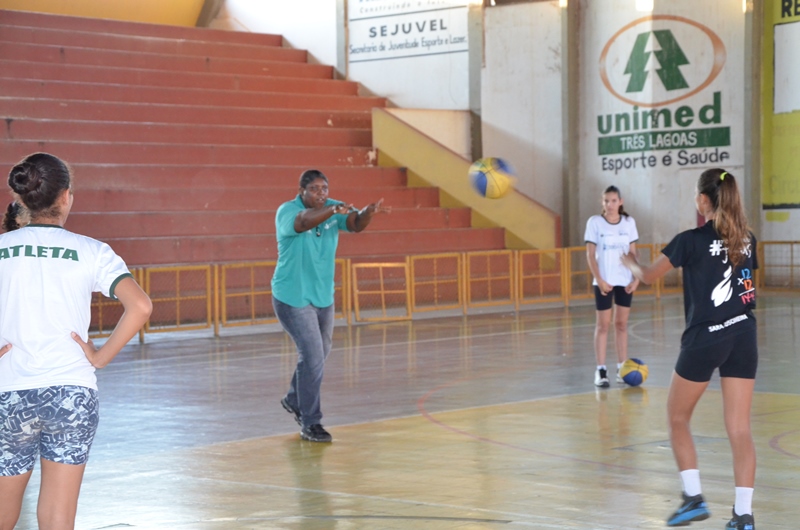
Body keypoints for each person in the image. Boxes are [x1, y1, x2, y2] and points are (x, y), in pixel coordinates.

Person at [0, 153, 153, 529]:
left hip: (9, 392)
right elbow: (141, 306)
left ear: (21, 200)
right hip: (72, 394)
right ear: (66, 196)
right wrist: (99, 357)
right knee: (58, 516)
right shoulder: (93, 251)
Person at [622, 169, 757, 530]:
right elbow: (745, 287)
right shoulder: (747, 239)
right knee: (740, 430)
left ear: (702, 200)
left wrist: (630, 262)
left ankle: (693, 498)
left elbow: (649, 275)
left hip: (706, 338)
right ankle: (743, 517)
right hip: (743, 335)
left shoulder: (690, 240)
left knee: (677, 417)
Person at [273, 169, 390, 443]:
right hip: (292, 296)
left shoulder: (331, 207)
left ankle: (293, 398)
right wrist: (332, 209)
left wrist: (367, 213)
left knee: (321, 351)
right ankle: (311, 422)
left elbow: (354, 223)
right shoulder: (288, 211)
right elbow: (303, 222)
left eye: (324, 188)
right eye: (314, 189)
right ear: (302, 191)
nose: (321, 193)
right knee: (312, 356)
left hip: (322, 296)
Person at [585, 185, 639, 387]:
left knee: (622, 325)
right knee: (603, 325)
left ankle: (622, 368)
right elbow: (590, 254)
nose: (610, 205)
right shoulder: (595, 223)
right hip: (604, 280)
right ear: (603, 202)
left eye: (614, 201)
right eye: (606, 201)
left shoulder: (628, 222)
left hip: (624, 280)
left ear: (620, 202)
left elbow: (633, 252)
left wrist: (636, 278)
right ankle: (600, 370)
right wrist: (599, 278)